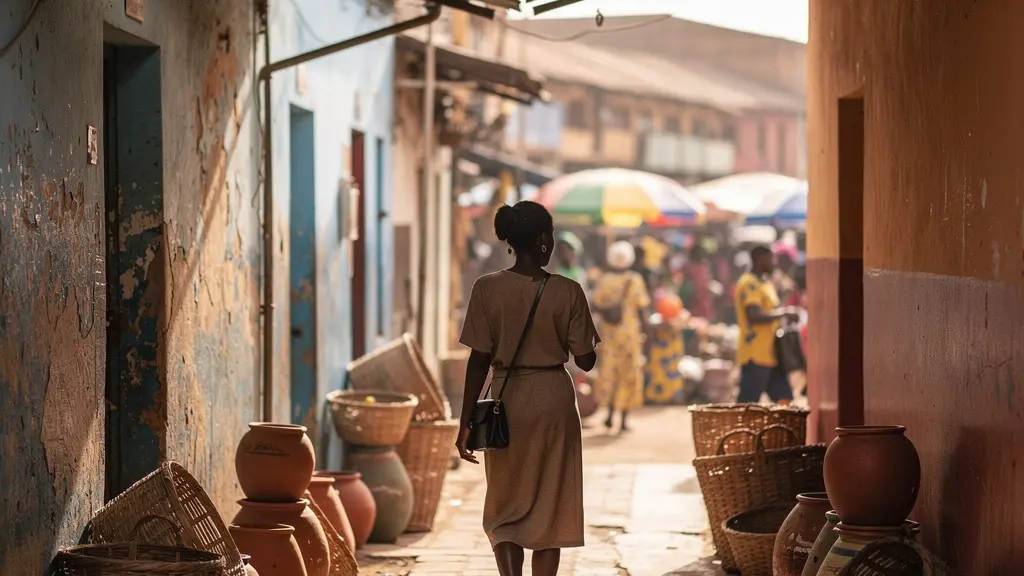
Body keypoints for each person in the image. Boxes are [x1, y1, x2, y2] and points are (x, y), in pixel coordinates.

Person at [456, 200, 600, 576]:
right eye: (549, 234)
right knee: (550, 507)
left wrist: (465, 420)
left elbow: (478, 359)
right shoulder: (568, 291)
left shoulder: (486, 288)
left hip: (506, 400)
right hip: (554, 399)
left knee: (505, 503)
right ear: (542, 240)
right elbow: (585, 360)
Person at [591, 241, 651, 432]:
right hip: (630, 335)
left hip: (609, 335)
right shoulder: (635, 280)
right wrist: (648, 334)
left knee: (610, 373)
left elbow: (595, 305)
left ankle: (609, 414)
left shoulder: (604, 280)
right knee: (628, 374)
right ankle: (624, 420)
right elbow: (643, 311)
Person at [735, 245, 801, 404]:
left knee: (784, 400)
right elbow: (754, 315)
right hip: (755, 354)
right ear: (760, 259)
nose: (774, 263)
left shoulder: (766, 284)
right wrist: (785, 312)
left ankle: (781, 430)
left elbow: (771, 311)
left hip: (772, 353)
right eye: (771, 259)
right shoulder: (749, 283)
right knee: (748, 405)